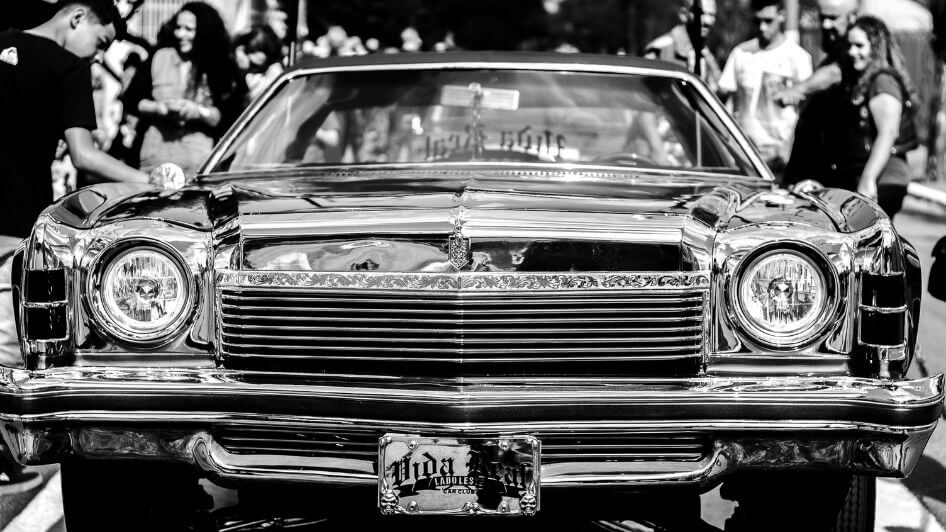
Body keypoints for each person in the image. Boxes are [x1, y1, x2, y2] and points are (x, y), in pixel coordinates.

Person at [0, 0, 147, 490]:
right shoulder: (67, 67)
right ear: (78, 17)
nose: (97, 54)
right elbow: (84, 156)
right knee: (5, 344)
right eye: (100, 42)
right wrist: (147, 180)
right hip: (14, 218)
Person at [137, 2, 242, 176]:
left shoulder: (221, 66)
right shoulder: (160, 56)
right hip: (155, 162)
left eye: (189, 29)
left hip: (198, 166)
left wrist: (198, 111)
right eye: (178, 27)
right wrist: (159, 108)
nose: (180, 34)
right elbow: (133, 101)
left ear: (204, 31)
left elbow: (229, 116)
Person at [833, 16, 918, 219]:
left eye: (859, 46)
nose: (852, 52)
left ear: (876, 47)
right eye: (849, 45)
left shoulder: (882, 81)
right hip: (874, 172)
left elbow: (888, 133)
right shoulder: (862, 79)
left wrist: (868, 179)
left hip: (885, 176)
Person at [718, 0, 812, 177]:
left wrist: (790, 148)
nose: (762, 27)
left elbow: (806, 108)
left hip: (781, 158)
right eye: (757, 21)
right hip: (744, 155)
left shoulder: (797, 57)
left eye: (768, 21)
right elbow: (724, 100)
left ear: (782, 15)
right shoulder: (741, 53)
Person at [781, 0, 858, 185]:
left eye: (833, 18)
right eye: (822, 18)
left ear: (853, 18)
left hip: (828, 178)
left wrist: (798, 90)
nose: (825, 25)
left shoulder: (851, 55)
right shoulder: (832, 56)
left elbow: (833, 73)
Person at [643, 0, 721, 92]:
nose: (707, 21)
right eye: (701, 14)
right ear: (683, 14)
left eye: (711, 15)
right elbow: (643, 93)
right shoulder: (661, 50)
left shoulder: (707, 55)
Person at [234, 24, 284, 103]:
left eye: (253, 51)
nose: (250, 56)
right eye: (248, 52)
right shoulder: (251, 74)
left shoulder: (275, 71)